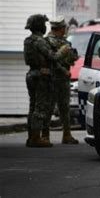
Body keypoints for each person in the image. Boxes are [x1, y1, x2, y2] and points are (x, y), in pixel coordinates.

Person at [23, 14, 70, 147]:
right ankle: (36, 138)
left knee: (32, 107)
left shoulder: (28, 40)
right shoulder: (40, 41)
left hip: (31, 74)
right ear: (39, 26)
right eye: (43, 24)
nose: (45, 27)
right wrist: (63, 51)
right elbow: (53, 57)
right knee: (40, 107)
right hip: (40, 76)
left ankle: (31, 136)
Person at [44, 16, 79, 144]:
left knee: (64, 107)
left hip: (63, 79)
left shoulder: (64, 41)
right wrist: (63, 70)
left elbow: (70, 57)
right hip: (53, 78)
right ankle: (45, 135)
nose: (66, 30)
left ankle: (67, 134)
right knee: (49, 107)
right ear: (60, 28)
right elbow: (51, 60)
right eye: (64, 28)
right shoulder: (48, 42)